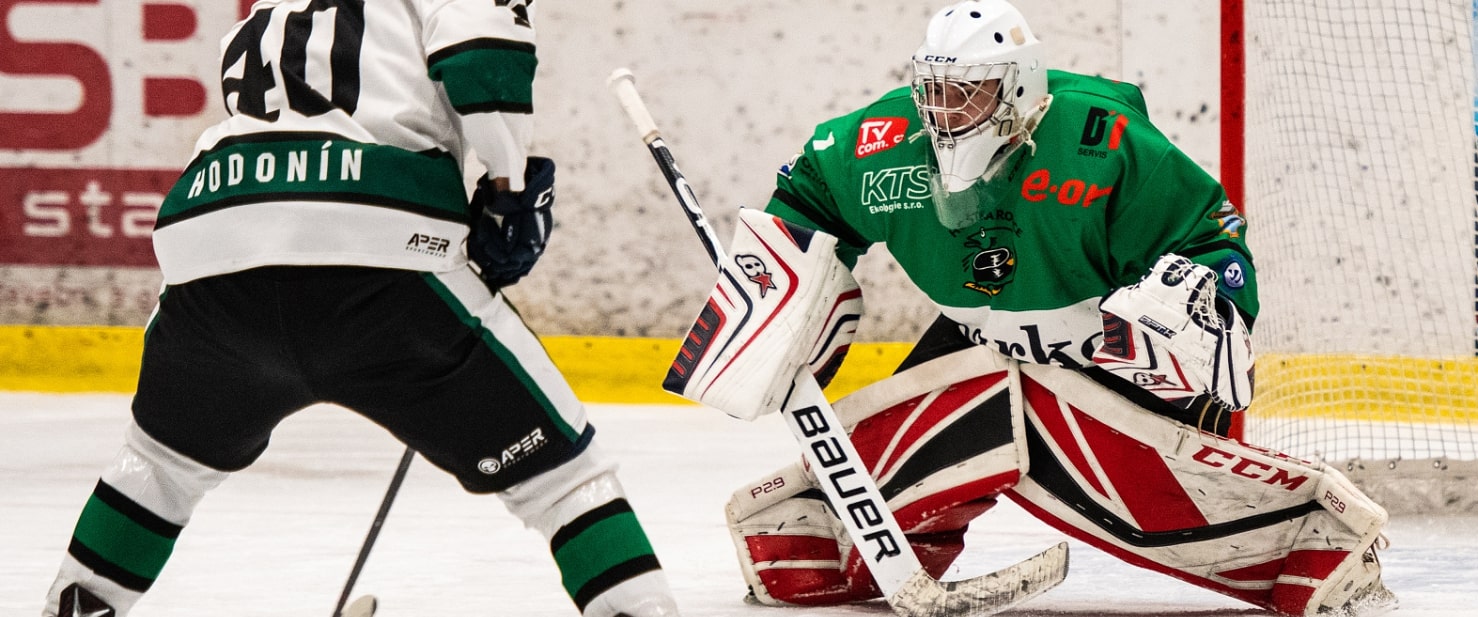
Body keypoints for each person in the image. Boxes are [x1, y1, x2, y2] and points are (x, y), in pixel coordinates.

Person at [661, 1, 1395, 615]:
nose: (943, 113)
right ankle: (848, 544)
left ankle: (1314, 533)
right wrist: (777, 282)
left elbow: (1209, 239)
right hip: (981, 341)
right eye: (933, 91)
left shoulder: (1098, 142)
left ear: (1017, 89)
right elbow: (811, 199)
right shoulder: (881, 147)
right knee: (804, 536)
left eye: (969, 92)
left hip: (1105, 357)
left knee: (1119, 485)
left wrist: (1195, 321)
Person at [42, 2, 679, 616]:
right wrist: (508, 186)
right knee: (562, 476)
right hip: (375, 242)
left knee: (160, 463)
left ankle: (73, 607)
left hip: (211, 239)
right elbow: (481, 47)